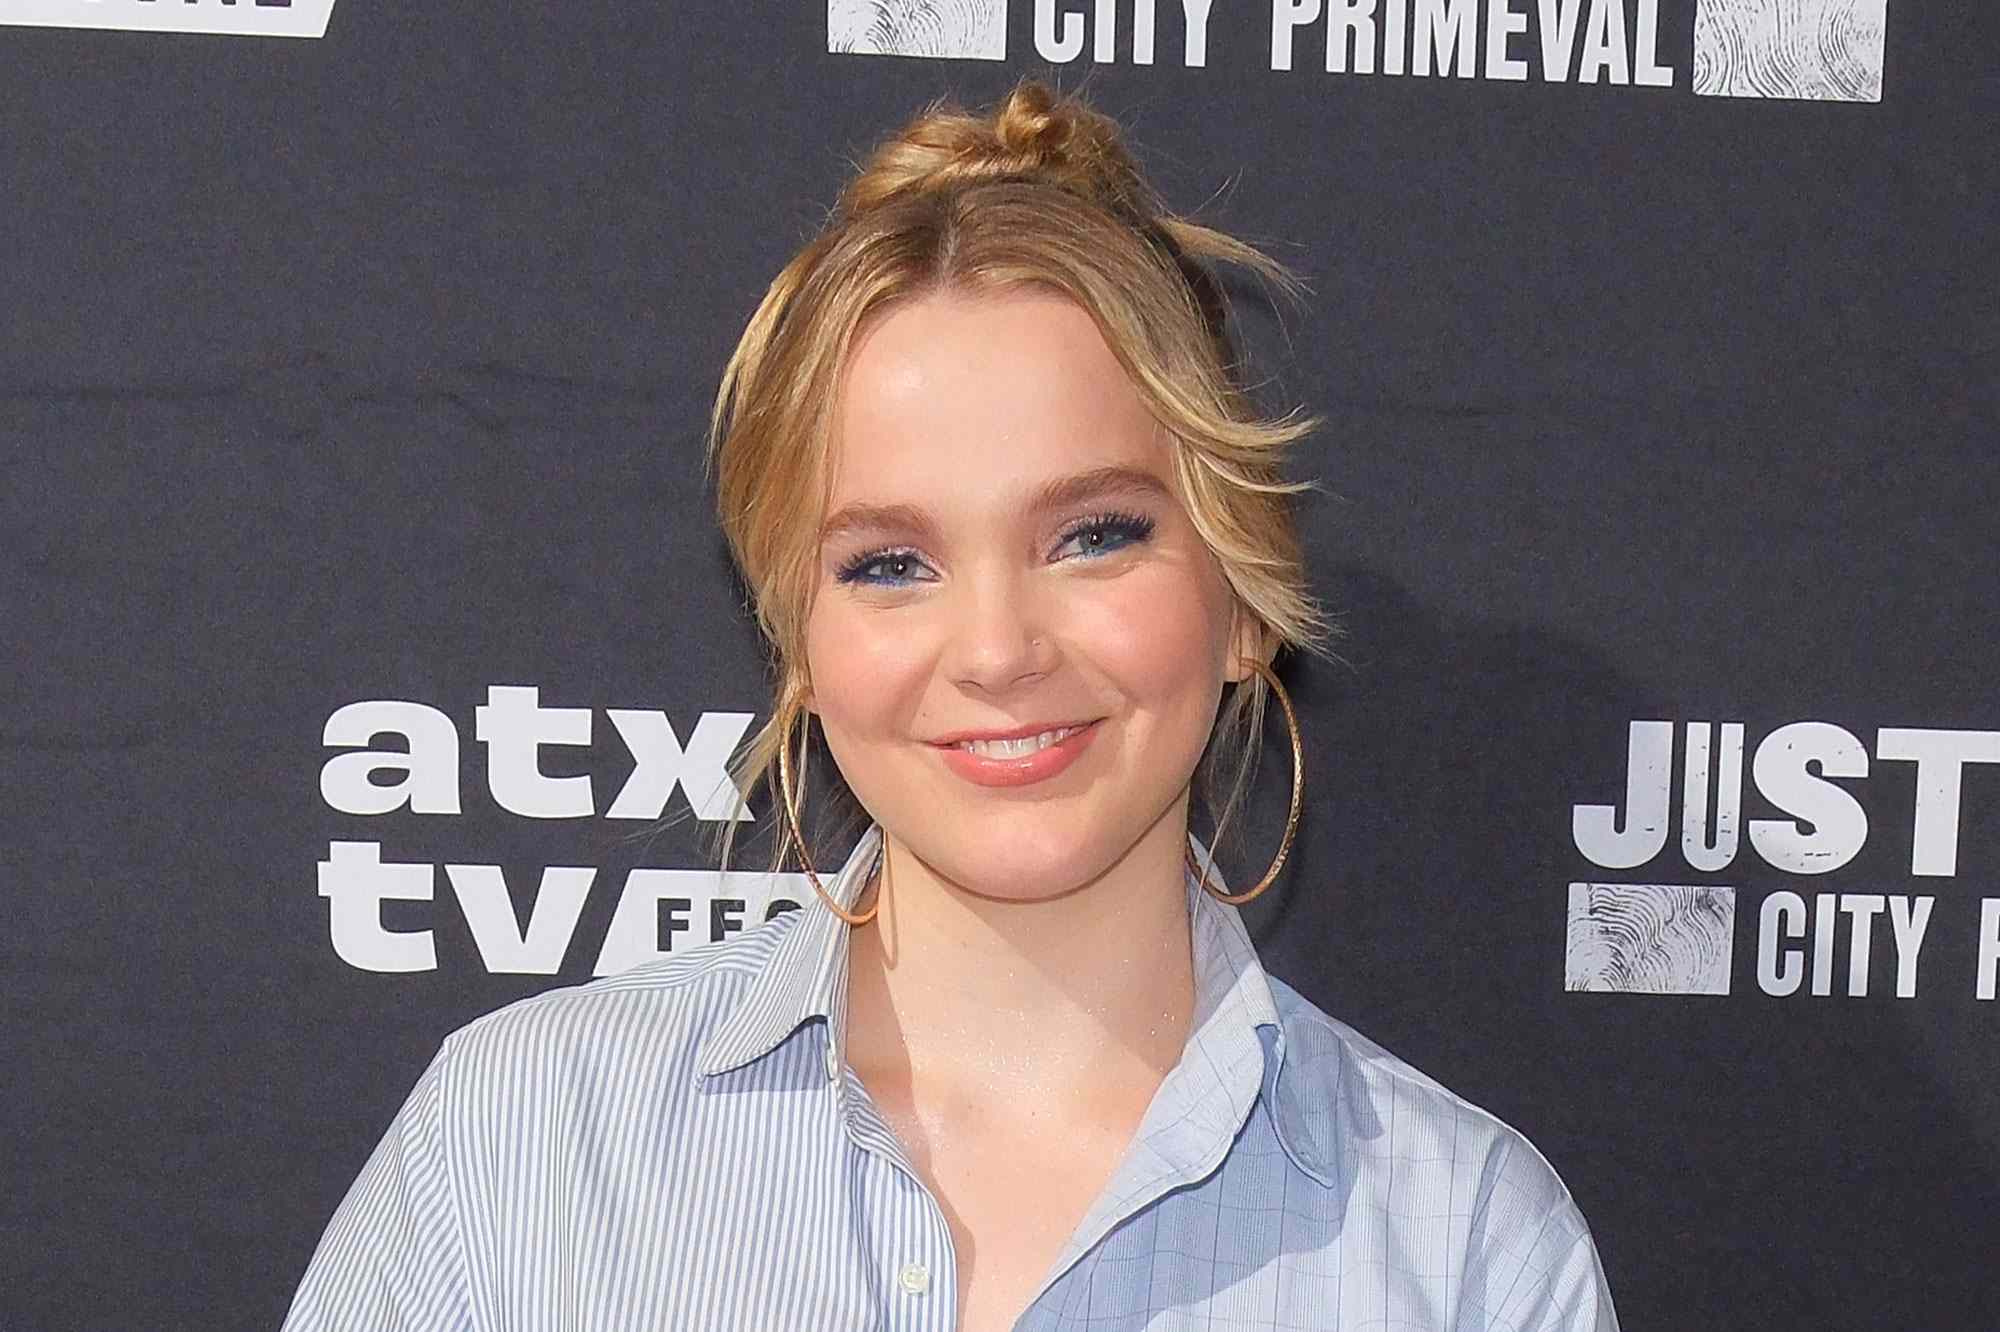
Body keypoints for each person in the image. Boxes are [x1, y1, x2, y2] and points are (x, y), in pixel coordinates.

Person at [282, 79, 1619, 1331]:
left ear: (1246, 594)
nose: (995, 648)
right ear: (798, 639)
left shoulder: (1461, 1246)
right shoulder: (521, 1148)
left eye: (1093, 535)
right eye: (889, 564)